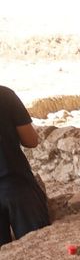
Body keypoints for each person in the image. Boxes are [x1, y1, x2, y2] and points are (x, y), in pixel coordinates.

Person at [0, 85, 51, 247]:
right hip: (16, 184)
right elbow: (31, 140)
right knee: (38, 248)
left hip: (15, 184)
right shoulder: (5, 95)